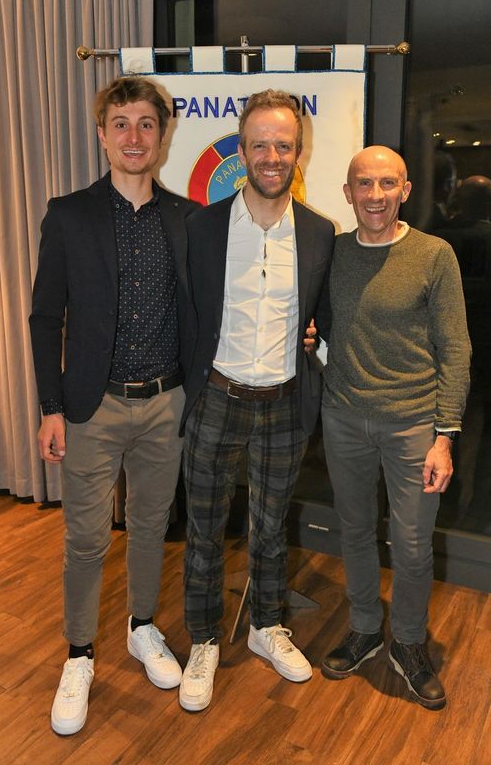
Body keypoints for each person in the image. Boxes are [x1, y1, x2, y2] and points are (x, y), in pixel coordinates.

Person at [29, 77, 198, 735]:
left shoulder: (188, 219)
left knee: (152, 526)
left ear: (162, 136)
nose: (134, 136)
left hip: (166, 403)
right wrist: (50, 405)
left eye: (146, 124)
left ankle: (141, 626)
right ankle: (79, 654)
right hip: (90, 407)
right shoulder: (68, 215)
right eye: (121, 123)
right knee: (86, 539)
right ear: (102, 135)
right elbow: (46, 317)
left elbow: (210, 307)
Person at [178, 89, 334, 712]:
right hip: (217, 399)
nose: (272, 156)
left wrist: (315, 338)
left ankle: (267, 626)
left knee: (271, 528)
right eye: (260, 145)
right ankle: (204, 640)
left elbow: (323, 314)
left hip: (284, 404)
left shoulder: (320, 232)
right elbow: (187, 313)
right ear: (241, 152)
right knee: (204, 530)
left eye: (284, 145)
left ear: (299, 152)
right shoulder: (202, 227)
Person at [319, 145, 471, 710]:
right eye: (365, 184)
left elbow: (456, 349)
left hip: (414, 426)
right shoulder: (333, 253)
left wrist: (444, 437)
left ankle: (408, 642)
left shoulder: (434, 255)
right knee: (355, 532)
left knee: (411, 546)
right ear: (348, 193)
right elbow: (318, 319)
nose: (376, 195)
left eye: (388, 184)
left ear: (405, 190)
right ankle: (364, 628)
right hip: (343, 417)